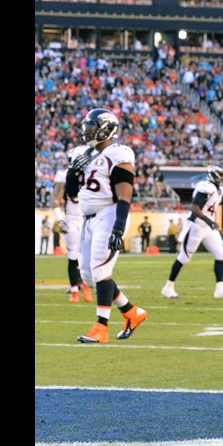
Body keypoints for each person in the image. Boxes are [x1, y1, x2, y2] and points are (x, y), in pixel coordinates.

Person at [72, 108, 148, 343]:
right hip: (87, 218)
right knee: (88, 274)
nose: (87, 132)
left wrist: (118, 227)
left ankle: (100, 327)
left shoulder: (119, 154)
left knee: (100, 270)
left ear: (106, 129)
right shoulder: (84, 154)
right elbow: (73, 190)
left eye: (92, 127)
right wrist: (72, 171)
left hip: (109, 214)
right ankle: (131, 312)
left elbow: (124, 195)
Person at [160, 165, 223, 300]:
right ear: (215, 175)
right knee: (183, 258)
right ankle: (168, 288)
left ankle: (220, 290)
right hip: (196, 226)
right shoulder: (205, 187)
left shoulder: (220, 190)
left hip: (207, 227)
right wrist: (209, 221)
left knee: (221, 254)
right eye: (222, 175)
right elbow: (195, 208)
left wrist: (210, 223)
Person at [51, 147, 93, 303]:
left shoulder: (92, 175)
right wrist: (60, 220)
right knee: (73, 256)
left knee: (88, 256)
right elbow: (56, 201)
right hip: (72, 219)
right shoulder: (64, 176)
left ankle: (86, 286)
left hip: (87, 218)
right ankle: (74, 290)